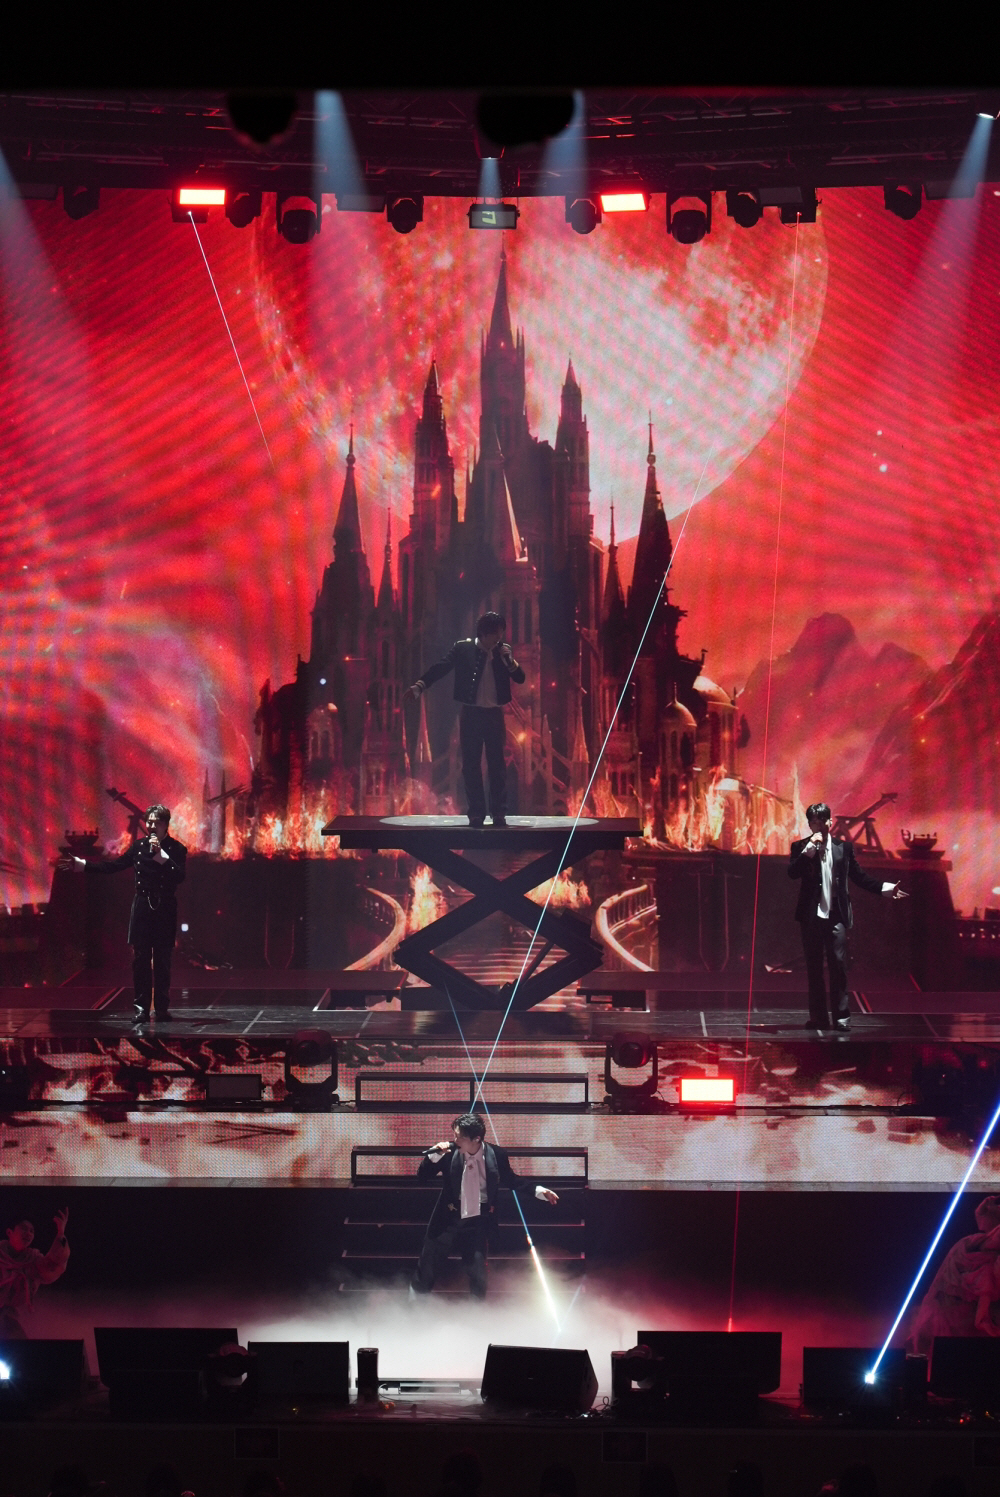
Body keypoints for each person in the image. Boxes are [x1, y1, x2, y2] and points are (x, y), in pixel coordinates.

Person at [411, 1113, 558, 1299]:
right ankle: (414, 1308)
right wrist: (434, 1156)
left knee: (478, 1273)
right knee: (427, 1268)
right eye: (455, 1135)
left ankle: (477, 1312)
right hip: (447, 1218)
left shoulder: (497, 1155)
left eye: (460, 1137)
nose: (455, 1140)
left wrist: (539, 1191)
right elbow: (422, 1177)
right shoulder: (447, 1153)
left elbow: (511, 1180)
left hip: (477, 1220)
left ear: (476, 1139)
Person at [788, 801, 907, 1031]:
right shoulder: (801, 847)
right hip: (810, 917)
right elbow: (792, 873)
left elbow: (860, 877)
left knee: (838, 967)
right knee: (814, 969)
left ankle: (841, 1018)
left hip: (836, 916)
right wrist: (809, 850)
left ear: (830, 822)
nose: (818, 825)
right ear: (810, 824)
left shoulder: (844, 849)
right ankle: (819, 1018)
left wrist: (886, 889)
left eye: (822, 821)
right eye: (813, 822)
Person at [66, 804, 187, 1024]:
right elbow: (114, 866)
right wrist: (84, 866)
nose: (151, 826)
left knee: (162, 961)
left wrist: (160, 855)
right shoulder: (138, 847)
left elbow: (179, 876)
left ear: (165, 824)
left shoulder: (177, 848)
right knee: (140, 961)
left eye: (156, 822)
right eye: (149, 822)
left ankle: (161, 1009)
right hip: (142, 906)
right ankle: (141, 1009)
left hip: (164, 908)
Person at [404, 611, 525, 828]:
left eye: (501, 634)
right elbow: (441, 667)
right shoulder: (463, 649)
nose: (499, 638)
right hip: (471, 714)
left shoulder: (502, 652)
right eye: (495, 634)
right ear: (484, 633)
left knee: (497, 766)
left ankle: (499, 813)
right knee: (471, 765)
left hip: (494, 715)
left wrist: (510, 661)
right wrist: (419, 686)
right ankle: (476, 813)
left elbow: (520, 678)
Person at [909, 1196, 1000, 1353]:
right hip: (975, 1257)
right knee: (984, 1278)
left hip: (981, 1258)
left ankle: (982, 1318)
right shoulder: (973, 1247)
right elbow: (986, 1228)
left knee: (985, 1277)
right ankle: (982, 1318)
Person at [0, 1207, 69, 1337]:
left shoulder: (32, 1259)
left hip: (11, 1318)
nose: (28, 1234)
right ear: (10, 1232)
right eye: (24, 1229)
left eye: (32, 1231)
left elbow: (52, 1265)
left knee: (17, 1343)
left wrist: (60, 1233)